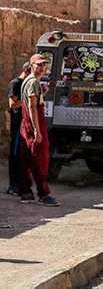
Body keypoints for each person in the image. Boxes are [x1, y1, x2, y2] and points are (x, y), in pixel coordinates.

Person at [18, 54, 58, 206]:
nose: (42, 68)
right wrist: (37, 130)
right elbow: (32, 106)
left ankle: (26, 192)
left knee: (26, 158)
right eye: (39, 65)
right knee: (40, 159)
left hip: (27, 124)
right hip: (33, 123)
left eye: (43, 65)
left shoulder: (30, 81)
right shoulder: (33, 81)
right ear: (32, 66)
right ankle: (43, 193)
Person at [7, 62, 30, 196]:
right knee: (15, 156)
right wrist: (28, 99)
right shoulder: (15, 84)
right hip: (17, 127)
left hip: (25, 126)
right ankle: (12, 185)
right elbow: (13, 105)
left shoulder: (28, 84)